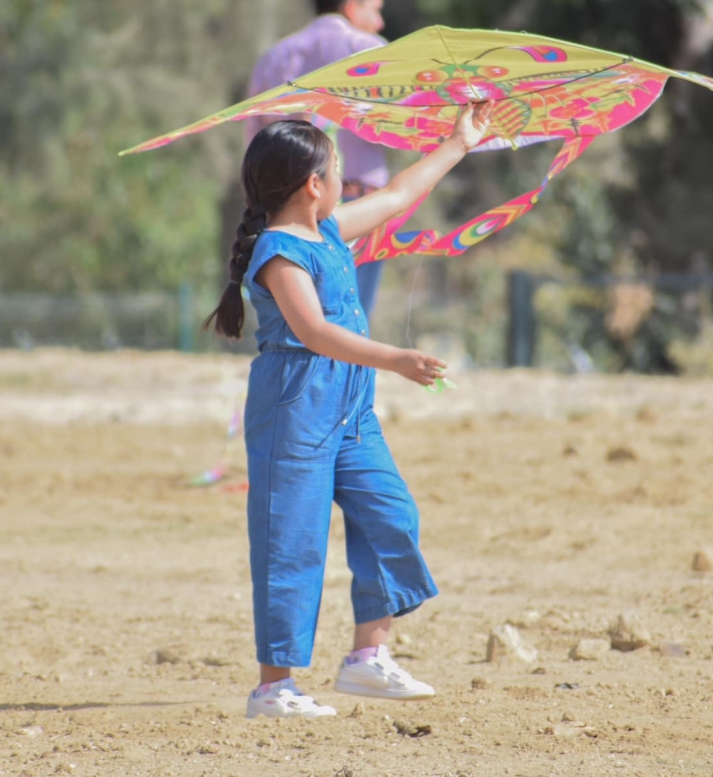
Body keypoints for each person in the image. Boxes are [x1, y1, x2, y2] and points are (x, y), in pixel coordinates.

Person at [205, 101, 497, 719]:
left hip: (349, 408)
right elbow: (313, 332)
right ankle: (274, 687)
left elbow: (395, 195)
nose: (346, 179)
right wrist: (395, 358)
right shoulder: (280, 252)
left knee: (389, 513)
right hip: (296, 408)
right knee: (292, 542)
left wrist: (457, 143)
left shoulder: (327, 230)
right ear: (315, 185)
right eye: (338, 168)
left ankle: (368, 659)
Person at [244, 0, 390, 319]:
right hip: (358, 200)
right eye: (376, 9)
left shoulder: (274, 57)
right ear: (353, 8)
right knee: (351, 314)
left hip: (285, 208)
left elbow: (255, 138)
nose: (381, 22)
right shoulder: (375, 53)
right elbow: (403, 128)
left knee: (298, 318)